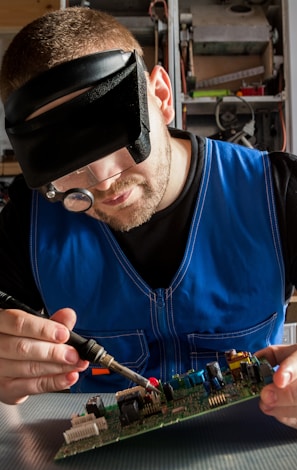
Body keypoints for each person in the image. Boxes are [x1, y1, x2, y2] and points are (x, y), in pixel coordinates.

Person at [0, 7, 297, 429]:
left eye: (116, 144)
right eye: (72, 166)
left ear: (160, 95)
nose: (103, 184)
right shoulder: (28, 225)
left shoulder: (279, 191)